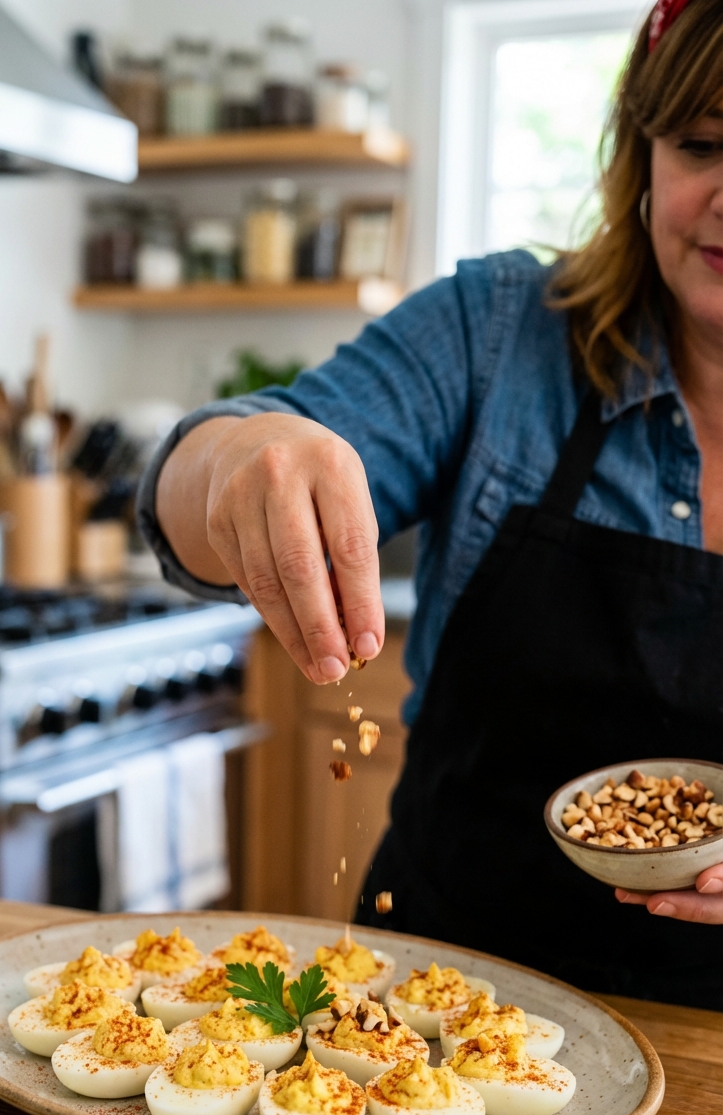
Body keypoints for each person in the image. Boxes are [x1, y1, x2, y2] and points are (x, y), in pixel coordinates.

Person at [137, 0, 723, 1009]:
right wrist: (239, 451)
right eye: (701, 144)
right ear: (641, 158)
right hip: (423, 1008)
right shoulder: (498, 332)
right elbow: (184, 500)